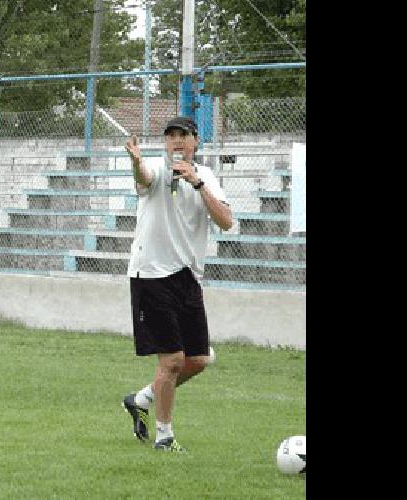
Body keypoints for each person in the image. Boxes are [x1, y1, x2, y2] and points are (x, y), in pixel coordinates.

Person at [119, 116, 233, 453]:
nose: (176, 141)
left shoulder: (207, 177)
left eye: (182, 135)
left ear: (195, 141)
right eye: (170, 136)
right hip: (151, 275)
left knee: (198, 359)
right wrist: (136, 163)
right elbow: (144, 178)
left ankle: (140, 398)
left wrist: (197, 184)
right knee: (171, 360)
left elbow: (226, 222)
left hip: (187, 277)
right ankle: (164, 437)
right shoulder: (153, 168)